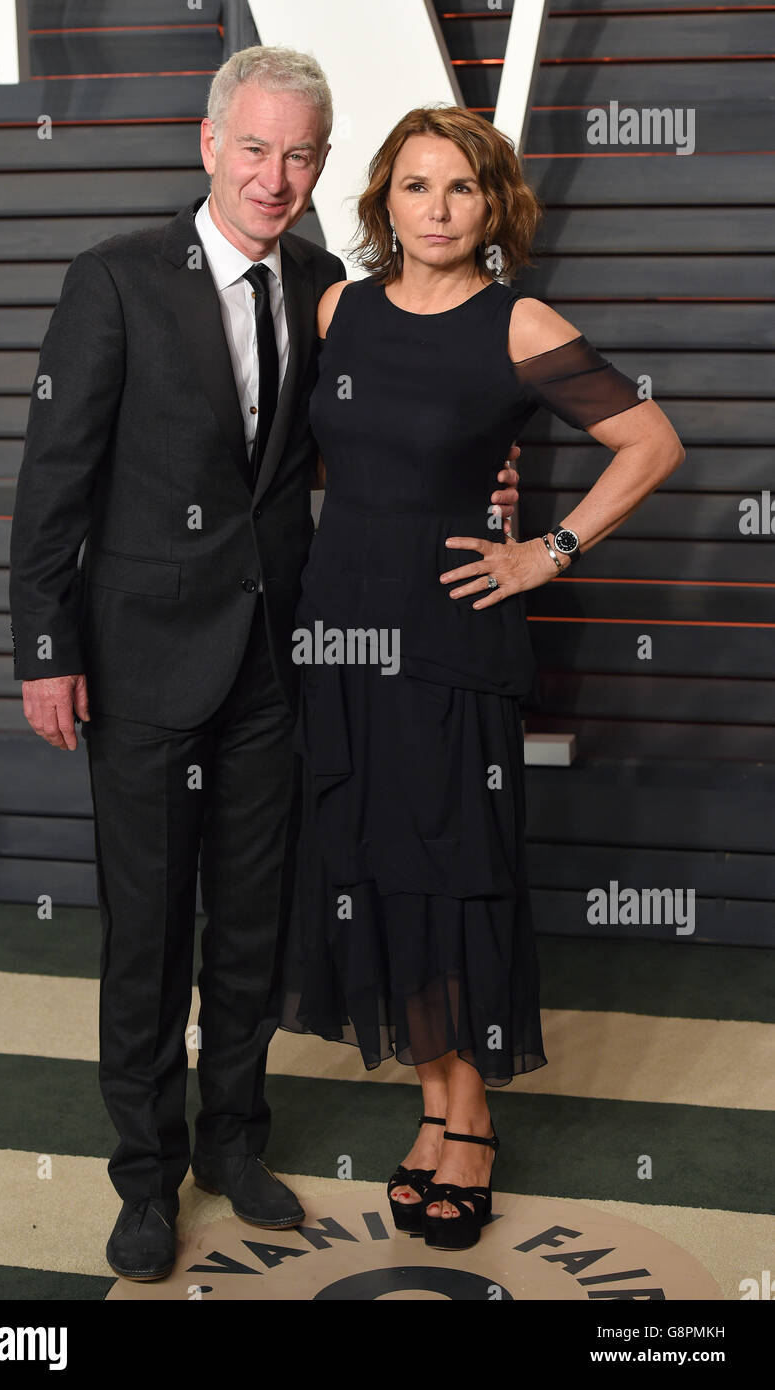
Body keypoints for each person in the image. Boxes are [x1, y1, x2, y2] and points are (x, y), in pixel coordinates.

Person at [8, 52, 523, 1281]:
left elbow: (353, 447)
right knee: (147, 935)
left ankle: (235, 1142)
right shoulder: (114, 279)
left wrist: (478, 483)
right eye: (254, 148)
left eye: (300, 154)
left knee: (252, 925)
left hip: (279, 661)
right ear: (208, 145)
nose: (275, 176)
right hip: (136, 665)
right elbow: (51, 482)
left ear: (321, 165)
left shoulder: (327, 284)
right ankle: (145, 1177)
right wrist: (45, 648)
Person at [279, 104, 685, 1251]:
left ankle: (471, 1121)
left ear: (492, 204)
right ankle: (431, 1101)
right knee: (373, 864)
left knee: (454, 867)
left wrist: (543, 550)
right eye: (416, 187)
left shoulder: (518, 324)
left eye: (460, 188)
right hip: (338, 633)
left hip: (450, 641)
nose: (438, 209)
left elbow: (650, 442)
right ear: (384, 203)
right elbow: (330, 450)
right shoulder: (337, 309)